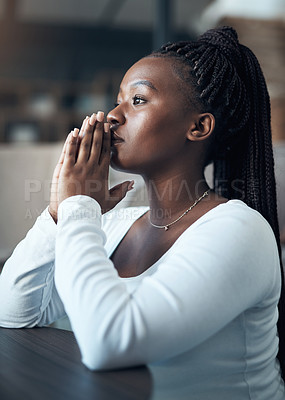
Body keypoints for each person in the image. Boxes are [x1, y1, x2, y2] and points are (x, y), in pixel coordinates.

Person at [0, 26, 284, 399]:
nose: (112, 116)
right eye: (117, 99)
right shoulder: (113, 222)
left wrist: (78, 207)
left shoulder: (240, 230)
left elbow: (110, 342)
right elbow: (13, 310)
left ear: (198, 127)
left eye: (138, 100)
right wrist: (58, 212)